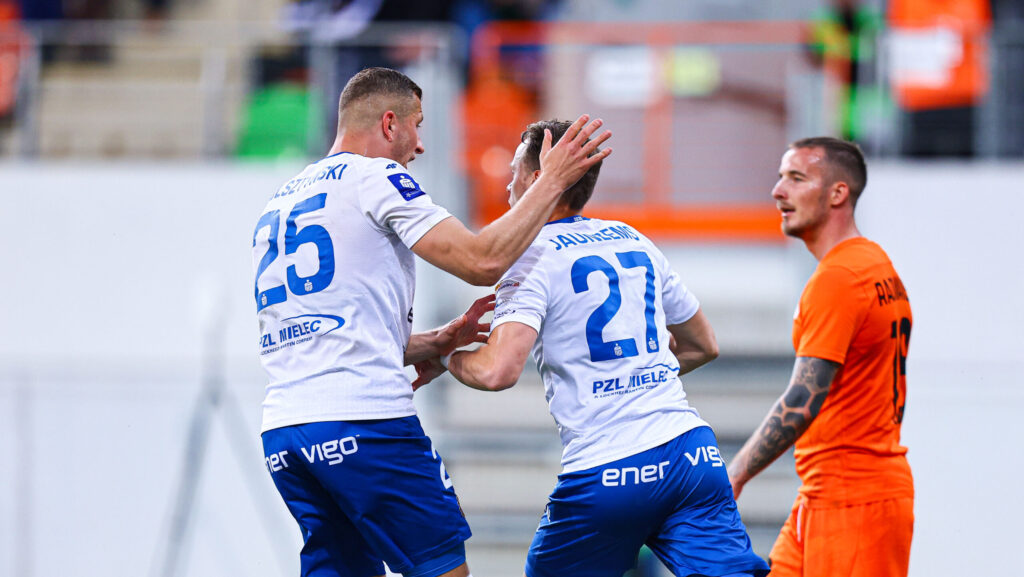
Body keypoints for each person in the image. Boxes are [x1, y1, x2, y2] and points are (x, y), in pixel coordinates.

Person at [252, 68, 610, 577]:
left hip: (286, 432)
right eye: (417, 125)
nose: (420, 144)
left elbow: (321, 339)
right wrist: (552, 180)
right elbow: (482, 261)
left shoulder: (280, 202)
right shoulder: (375, 177)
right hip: (364, 422)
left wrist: (435, 342)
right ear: (390, 123)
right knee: (441, 568)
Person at [414, 119, 769, 577]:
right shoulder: (632, 238)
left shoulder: (530, 255)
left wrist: (444, 354)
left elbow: (498, 370)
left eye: (514, 172)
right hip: (692, 455)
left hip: (609, 469)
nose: (506, 184)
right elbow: (703, 345)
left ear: (542, 178)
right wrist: (635, 375)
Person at [727, 137, 914, 577]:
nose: (778, 191)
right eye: (780, 177)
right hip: (830, 492)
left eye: (796, 178)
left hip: (852, 499)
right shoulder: (873, 263)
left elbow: (802, 400)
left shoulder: (839, 278)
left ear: (837, 193)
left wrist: (736, 472)